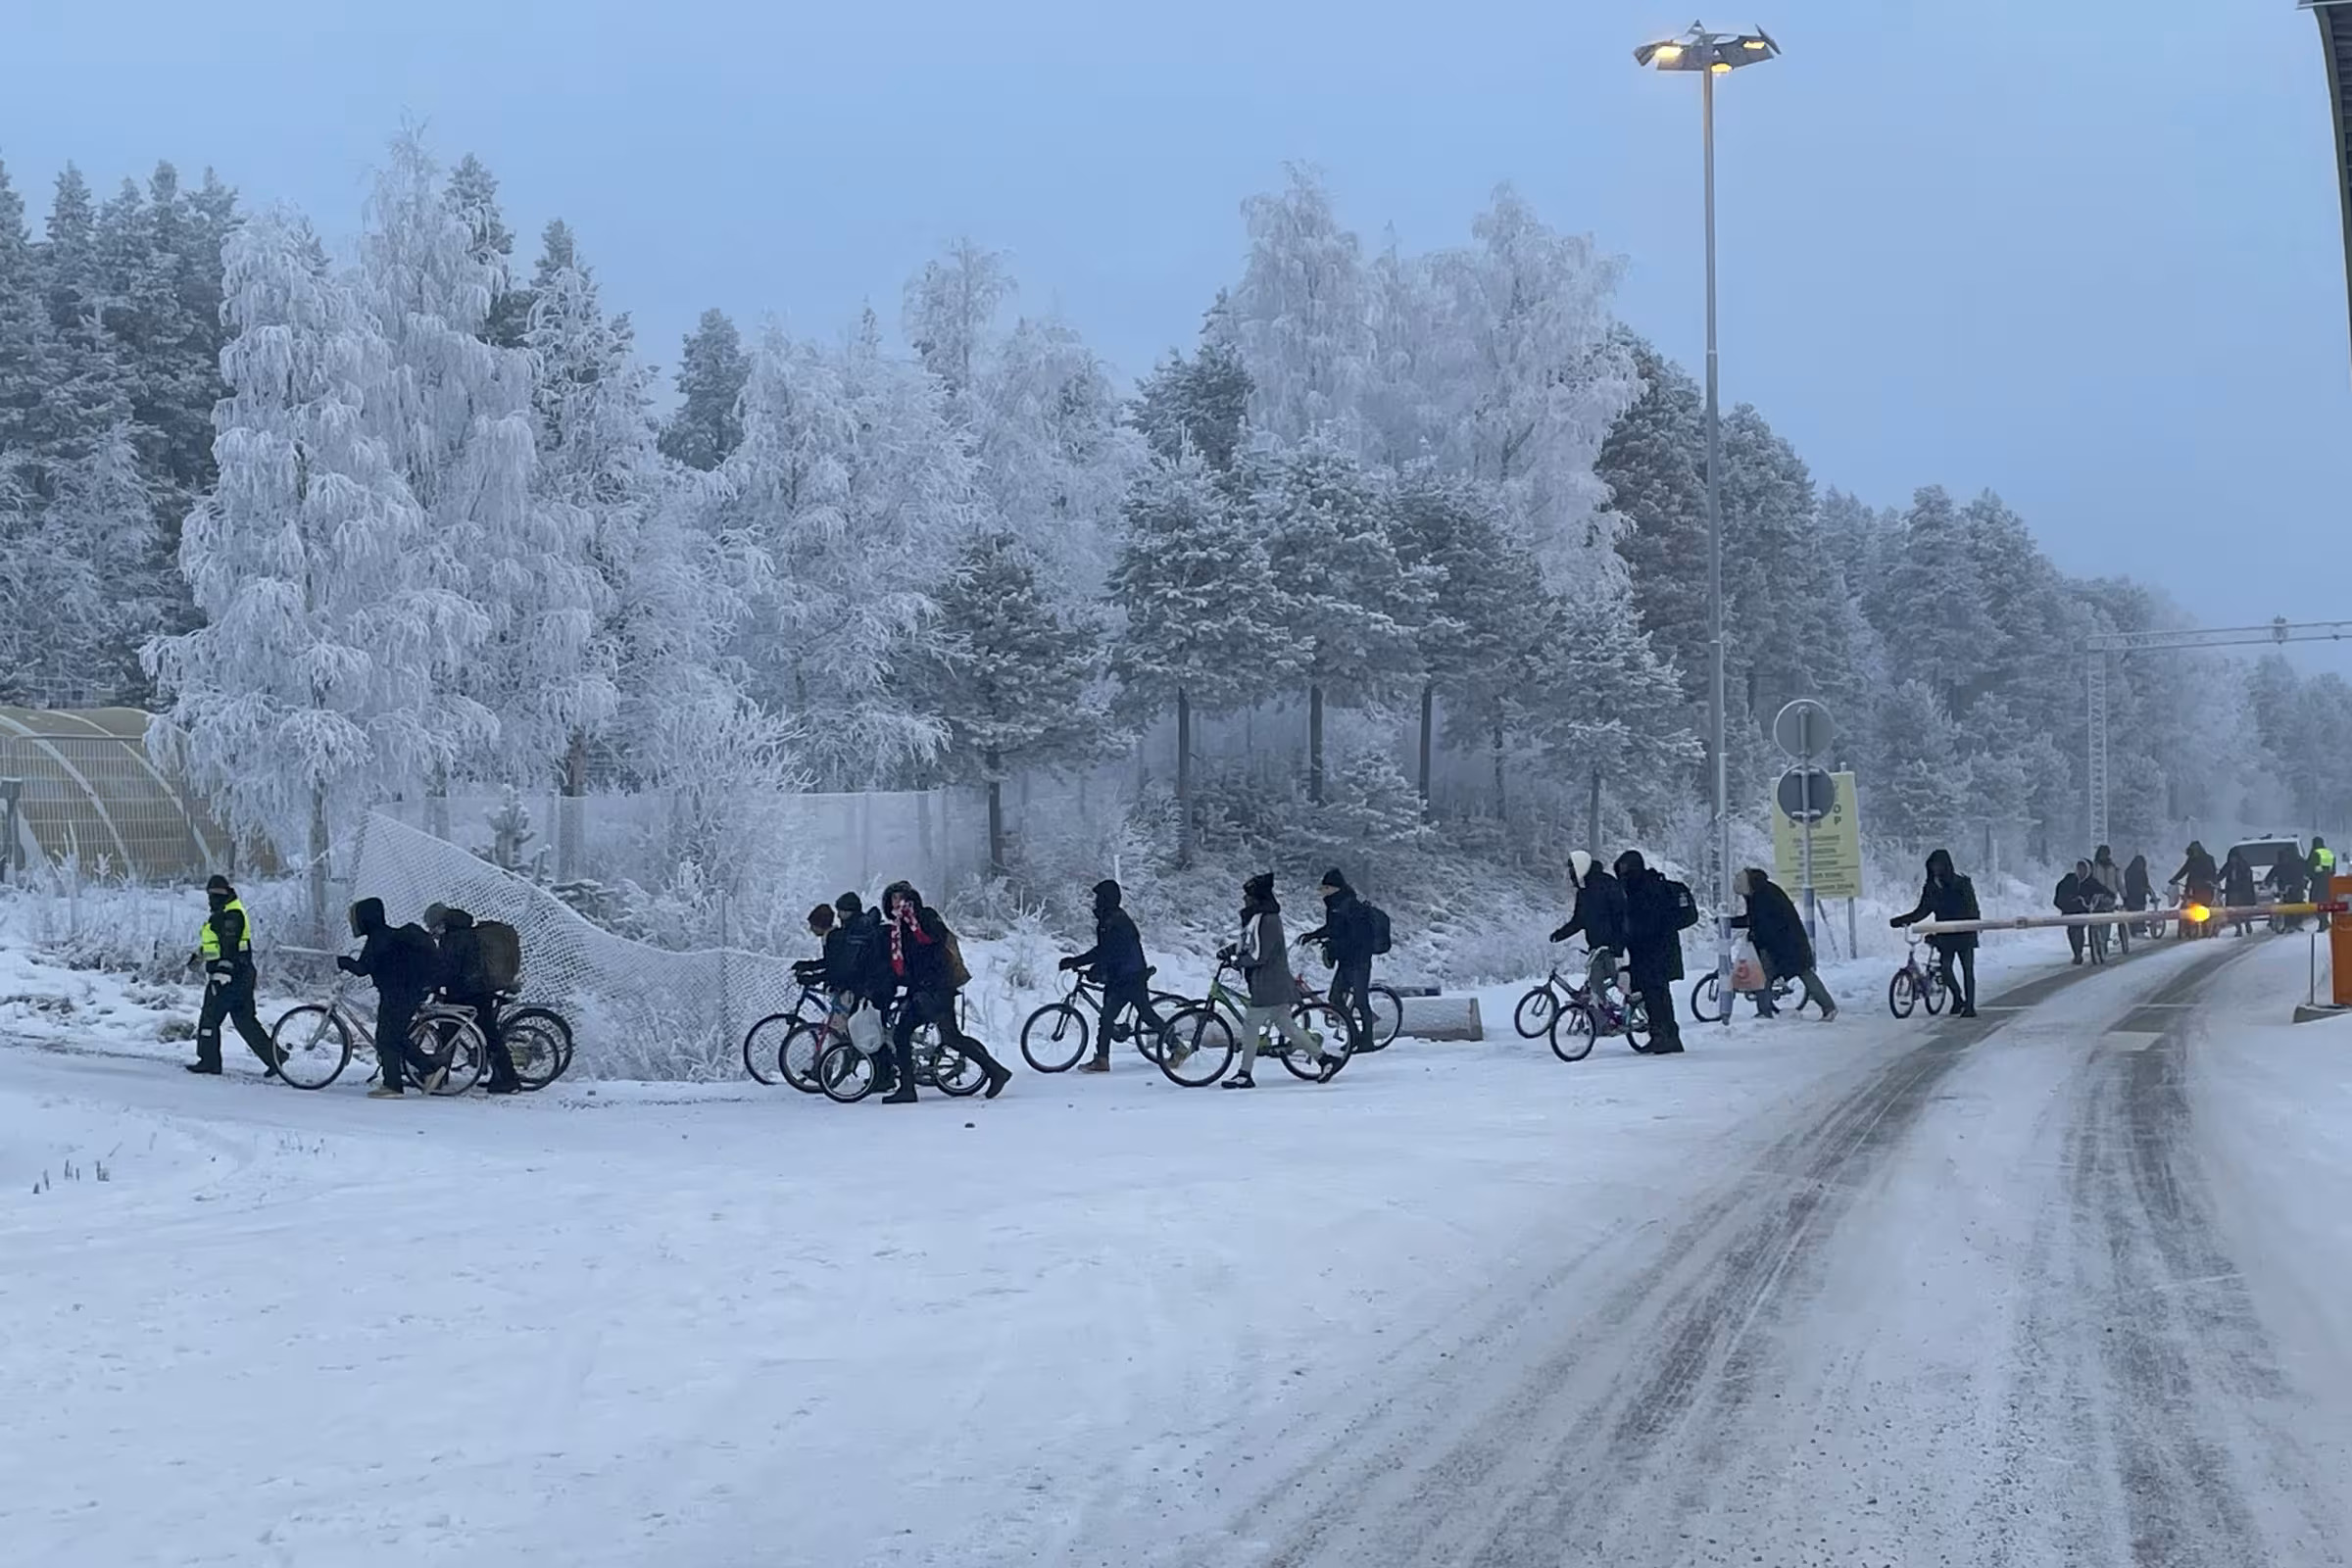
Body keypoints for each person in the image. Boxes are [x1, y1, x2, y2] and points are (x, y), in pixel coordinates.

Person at [880, 880, 1009, 1103]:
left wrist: (915, 925)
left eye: (900, 898)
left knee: (903, 1035)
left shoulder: (923, 919)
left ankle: (908, 1089)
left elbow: (933, 946)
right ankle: (996, 1070)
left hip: (933, 989)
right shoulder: (899, 927)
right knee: (951, 1037)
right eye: (893, 898)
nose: (896, 902)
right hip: (930, 989)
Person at [1222, 872, 1335, 1088]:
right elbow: (1248, 944)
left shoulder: (1268, 920)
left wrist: (1237, 961)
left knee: (1251, 1025)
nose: (1245, 900)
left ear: (1257, 897)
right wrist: (1229, 952)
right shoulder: (1259, 918)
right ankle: (1324, 1059)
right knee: (1287, 1028)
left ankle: (1244, 1074)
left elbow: (1259, 955)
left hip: (1269, 983)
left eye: (1248, 896)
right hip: (1269, 982)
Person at [1058, 879, 1168, 1072]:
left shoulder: (1114, 921)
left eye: (1099, 897)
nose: (1095, 901)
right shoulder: (1109, 919)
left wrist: (1089, 966)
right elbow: (1103, 950)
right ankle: (1102, 1059)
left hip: (1129, 975)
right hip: (1123, 975)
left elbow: (1110, 951)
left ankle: (1102, 1060)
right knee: (1126, 1016)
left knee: (1122, 1016)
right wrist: (1079, 962)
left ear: (1106, 899)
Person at [339, 898, 443, 1098]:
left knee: (388, 1037)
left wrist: (342, 962)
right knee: (392, 1036)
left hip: (399, 994)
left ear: (366, 918)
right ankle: (419, 1072)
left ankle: (399, 1083)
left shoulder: (378, 938)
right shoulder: (384, 935)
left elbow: (363, 969)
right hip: (403, 992)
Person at [184, 874, 283, 1076]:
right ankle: (275, 1057)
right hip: (242, 973)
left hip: (230, 975)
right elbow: (219, 944)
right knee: (244, 1020)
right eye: (211, 894)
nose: (212, 898)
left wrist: (223, 971)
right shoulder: (228, 911)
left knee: (210, 1018)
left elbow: (229, 945)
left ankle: (209, 1061)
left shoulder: (231, 914)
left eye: (217, 894)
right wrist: (199, 956)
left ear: (226, 893)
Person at [424, 904, 518, 1094]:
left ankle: (438, 1077)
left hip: (465, 993)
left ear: (442, 922)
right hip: (478, 991)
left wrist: (431, 985)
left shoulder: (454, 938)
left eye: (434, 926)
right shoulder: (464, 932)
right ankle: (506, 1078)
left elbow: (449, 968)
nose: (434, 931)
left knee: (449, 1032)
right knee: (486, 1034)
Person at [1729, 867, 1837, 1020]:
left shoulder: (1762, 896)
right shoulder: (1763, 891)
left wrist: (1754, 936)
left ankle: (1765, 1012)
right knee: (1802, 973)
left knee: (1771, 976)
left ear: (1747, 886)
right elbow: (1756, 920)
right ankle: (1828, 1007)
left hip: (1784, 945)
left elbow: (1762, 923)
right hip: (1787, 943)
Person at [1890, 849, 1981, 1017]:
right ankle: (1957, 997)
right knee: (1945, 969)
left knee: (1968, 970)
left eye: (1938, 865)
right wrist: (1903, 920)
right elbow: (1923, 910)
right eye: (1932, 866)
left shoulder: (1962, 883)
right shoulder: (1931, 887)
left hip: (1964, 933)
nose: (1935, 869)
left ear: (1946, 865)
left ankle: (1969, 1006)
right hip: (1945, 934)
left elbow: (1972, 909)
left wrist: (1973, 925)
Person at [1613, 850, 1688, 1054]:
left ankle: (1664, 1037)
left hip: (1653, 952)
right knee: (1657, 994)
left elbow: (1645, 922)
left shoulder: (1646, 890)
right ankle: (1664, 1035)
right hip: (1654, 952)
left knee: (1656, 995)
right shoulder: (1645, 886)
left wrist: (1630, 936)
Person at [1297, 867, 1378, 1051]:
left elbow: (1351, 935)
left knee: (1360, 999)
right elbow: (1332, 928)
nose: (1322, 892)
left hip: (1359, 959)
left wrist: (1331, 944)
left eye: (1324, 888)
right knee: (1336, 998)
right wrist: (1313, 935)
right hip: (1346, 960)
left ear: (1334, 888)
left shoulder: (1350, 906)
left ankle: (1367, 1040)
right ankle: (1354, 1036)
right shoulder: (1334, 905)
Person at [1549, 850, 1627, 1016]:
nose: (1571, 874)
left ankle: (1644, 1012)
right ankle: (1602, 1021)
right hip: (1597, 948)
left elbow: (1621, 915)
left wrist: (1619, 944)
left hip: (1612, 947)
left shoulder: (1608, 885)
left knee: (1620, 982)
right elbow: (1579, 920)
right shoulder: (1584, 892)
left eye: (1573, 870)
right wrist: (1560, 934)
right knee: (1596, 984)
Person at [834, 892, 897, 1093]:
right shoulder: (862, 928)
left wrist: (841, 981)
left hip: (874, 987)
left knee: (868, 1029)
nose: (838, 915)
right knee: (872, 1028)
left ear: (848, 911)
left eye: (841, 911)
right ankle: (883, 1074)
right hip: (879, 985)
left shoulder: (858, 932)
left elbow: (853, 964)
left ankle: (883, 1076)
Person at [2171, 841, 2219, 938]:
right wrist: (2175, 879)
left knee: (2204, 908)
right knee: (2189, 907)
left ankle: (2205, 929)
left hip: (2205, 888)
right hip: (2192, 888)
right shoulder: (2191, 860)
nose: (2193, 854)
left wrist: (2210, 881)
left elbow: (2212, 873)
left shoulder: (2208, 859)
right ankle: (2188, 928)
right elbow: (2184, 870)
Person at [2089, 845, 2128, 956]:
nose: (2104, 855)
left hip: (2110, 898)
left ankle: (2104, 942)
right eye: (2103, 853)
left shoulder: (2114, 868)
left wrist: (2124, 896)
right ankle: (2098, 941)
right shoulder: (2094, 867)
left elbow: (2119, 884)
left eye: (2106, 853)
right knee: (2097, 921)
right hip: (2097, 898)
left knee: (2106, 922)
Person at [2055, 860, 2095, 965]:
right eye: (2080, 869)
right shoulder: (2067, 881)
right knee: (2072, 932)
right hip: (2070, 911)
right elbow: (2058, 899)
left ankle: (2078, 953)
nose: (2081, 872)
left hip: (2082, 912)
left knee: (2078, 930)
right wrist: (2069, 901)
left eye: (2084, 869)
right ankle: (2076, 952)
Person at [2266, 851, 2310, 931]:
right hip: (2294, 888)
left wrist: (2267, 883)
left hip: (2289, 888)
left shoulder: (2280, 865)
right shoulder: (2298, 863)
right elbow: (2306, 873)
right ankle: (2294, 923)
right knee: (2294, 905)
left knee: (2290, 906)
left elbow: (2271, 876)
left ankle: (2292, 923)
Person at [2221, 847, 2258, 936]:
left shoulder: (2244, 865)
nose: (2233, 860)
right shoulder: (2228, 866)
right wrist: (2215, 880)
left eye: (2234, 857)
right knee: (2233, 912)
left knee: (2244, 911)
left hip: (2243, 893)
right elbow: (2222, 874)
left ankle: (2247, 923)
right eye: (2231, 858)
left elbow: (2248, 880)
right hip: (2232, 892)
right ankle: (2238, 928)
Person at [2124, 853, 2155, 939]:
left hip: (2139, 898)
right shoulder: (2131, 872)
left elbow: (2146, 884)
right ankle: (2136, 931)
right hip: (2134, 897)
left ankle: (2138, 931)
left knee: (2139, 915)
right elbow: (2129, 885)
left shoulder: (2138, 872)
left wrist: (2149, 892)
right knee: (2136, 915)